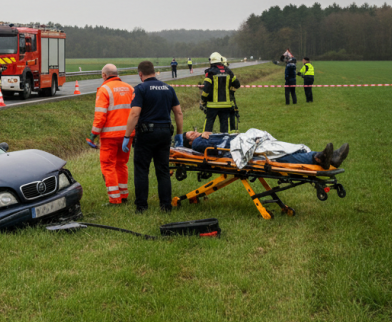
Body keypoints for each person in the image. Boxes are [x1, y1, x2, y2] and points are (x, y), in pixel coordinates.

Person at [123, 60, 184, 213]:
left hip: (146, 134)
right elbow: (178, 112)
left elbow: (135, 113)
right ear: (154, 71)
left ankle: (142, 207)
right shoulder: (168, 88)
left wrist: (127, 136)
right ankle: (166, 206)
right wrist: (179, 134)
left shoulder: (141, 89)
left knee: (142, 170)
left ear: (140, 74)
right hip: (164, 133)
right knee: (163, 170)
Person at [88, 64, 136, 204]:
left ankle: (115, 200)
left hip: (110, 136)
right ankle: (123, 195)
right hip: (127, 134)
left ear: (104, 75)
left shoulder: (104, 90)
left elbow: (100, 116)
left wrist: (93, 134)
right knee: (121, 164)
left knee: (108, 166)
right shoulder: (130, 88)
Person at [184, 130, 349, 170]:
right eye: (190, 134)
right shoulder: (199, 143)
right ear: (190, 141)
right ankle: (317, 158)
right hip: (242, 150)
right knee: (276, 156)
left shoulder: (209, 136)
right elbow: (198, 146)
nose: (195, 132)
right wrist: (200, 137)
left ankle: (330, 158)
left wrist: (209, 133)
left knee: (281, 148)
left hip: (247, 140)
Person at [200, 52, 240, 133]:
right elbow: (237, 84)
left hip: (212, 106)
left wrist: (203, 101)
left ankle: (205, 143)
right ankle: (224, 143)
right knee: (224, 129)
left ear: (211, 61)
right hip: (226, 105)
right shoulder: (228, 71)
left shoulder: (210, 72)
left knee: (208, 127)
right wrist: (231, 91)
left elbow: (206, 89)